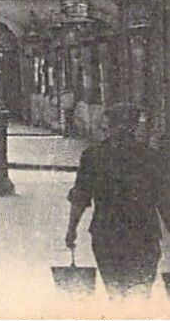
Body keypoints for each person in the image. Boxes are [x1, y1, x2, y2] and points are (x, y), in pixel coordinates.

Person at [64, 104, 170, 298]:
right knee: (139, 294)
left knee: (116, 293)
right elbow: (164, 200)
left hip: (107, 235)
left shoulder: (93, 156)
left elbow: (80, 197)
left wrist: (71, 230)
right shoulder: (150, 157)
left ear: (109, 125)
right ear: (136, 126)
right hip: (143, 236)